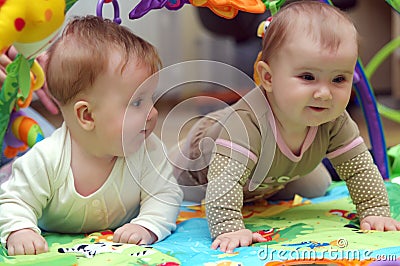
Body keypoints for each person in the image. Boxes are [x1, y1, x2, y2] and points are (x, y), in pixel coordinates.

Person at [172, 1, 400, 254]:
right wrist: (229, 227)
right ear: (268, 78)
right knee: (168, 192)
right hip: (200, 172)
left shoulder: (334, 119)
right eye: (307, 77)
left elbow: (359, 169)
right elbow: (224, 182)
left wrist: (375, 210)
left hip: (268, 176)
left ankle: (263, 189)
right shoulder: (247, 123)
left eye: (339, 79)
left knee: (317, 185)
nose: (324, 93)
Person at [0, 15, 183, 256]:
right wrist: (21, 230)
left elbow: (165, 194)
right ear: (87, 115)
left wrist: (146, 224)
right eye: (137, 102)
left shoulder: (148, 150)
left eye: (151, 98)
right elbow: (14, 202)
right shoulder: (47, 159)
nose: (153, 112)